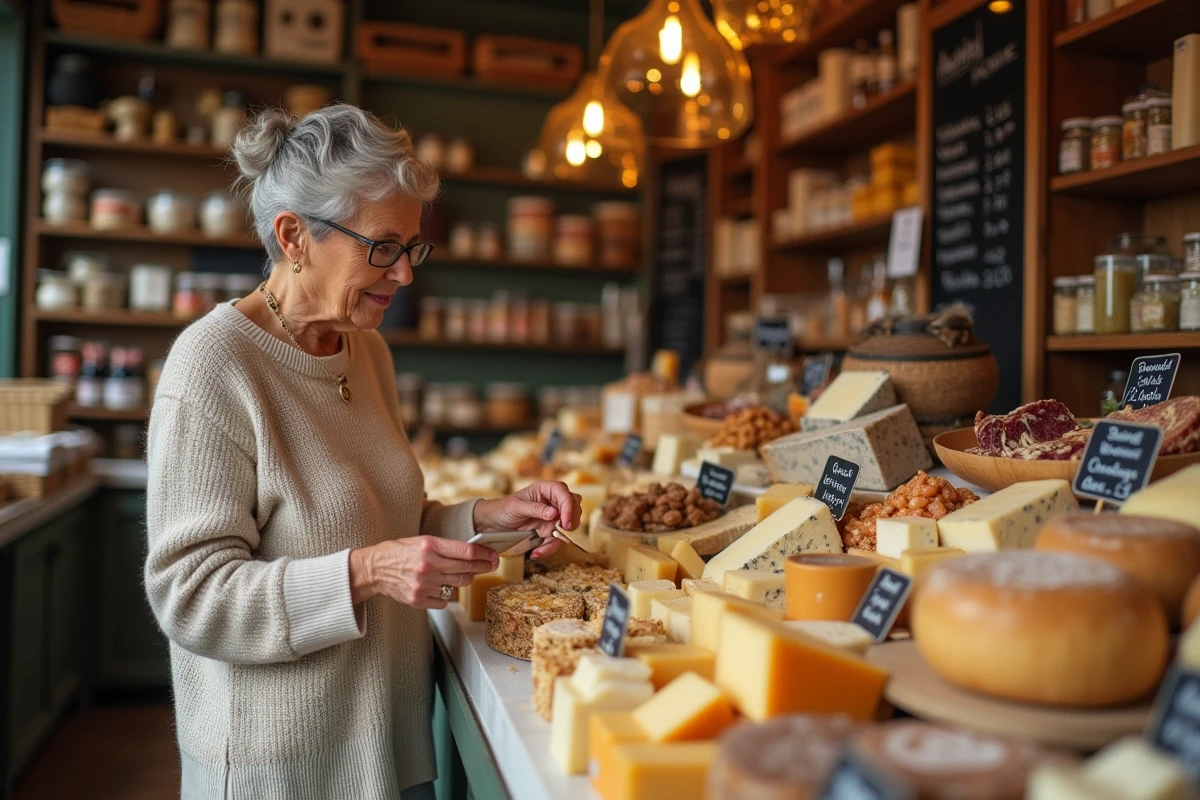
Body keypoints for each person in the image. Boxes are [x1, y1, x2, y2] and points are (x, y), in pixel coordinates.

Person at [144, 104, 578, 799]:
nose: (404, 275)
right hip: (284, 773)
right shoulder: (213, 366)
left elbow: (381, 523)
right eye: (382, 247)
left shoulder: (365, 350)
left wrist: (492, 516)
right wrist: (367, 573)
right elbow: (190, 597)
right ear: (294, 236)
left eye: (413, 247)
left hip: (393, 754)